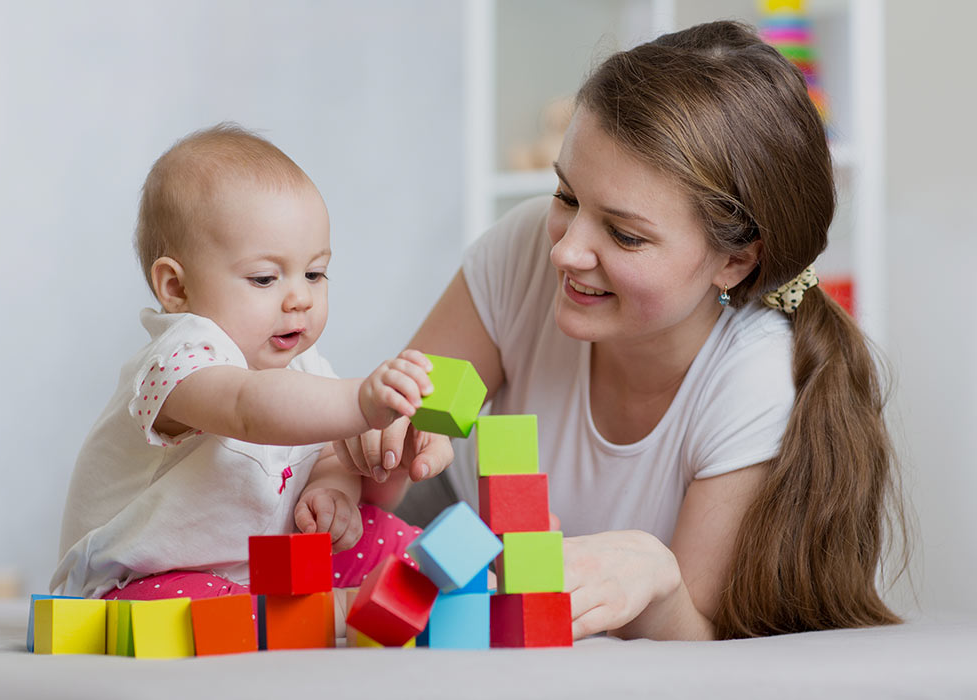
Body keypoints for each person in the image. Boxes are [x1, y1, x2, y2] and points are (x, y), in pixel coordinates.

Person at [339, 21, 907, 640]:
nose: (565, 252)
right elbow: (395, 436)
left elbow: (701, 645)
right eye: (565, 194)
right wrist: (368, 452)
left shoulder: (753, 381)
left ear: (735, 260)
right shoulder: (525, 248)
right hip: (449, 538)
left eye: (625, 234)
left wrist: (657, 583)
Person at [50, 124, 448, 601]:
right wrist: (360, 401)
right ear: (176, 288)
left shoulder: (304, 366)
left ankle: (473, 588)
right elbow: (248, 407)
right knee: (217, 611)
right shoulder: (177, 361)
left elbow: (324, 453)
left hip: (264, 566)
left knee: (385, 535)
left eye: (315, 273)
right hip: (139, 576)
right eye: (264, 278)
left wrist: (333, 492)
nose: (300, 297)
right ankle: (324, 614)